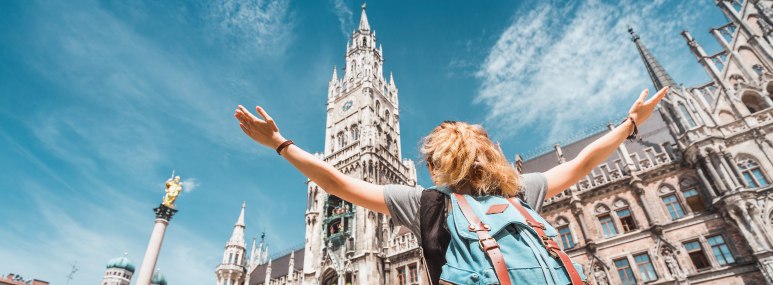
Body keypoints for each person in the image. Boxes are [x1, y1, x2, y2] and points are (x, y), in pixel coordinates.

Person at [234, 86, 668, 284]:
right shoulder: (519, 191)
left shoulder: (426, 203)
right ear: (491, 156)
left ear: (433, 164)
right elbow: (581, 163)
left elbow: (339, 184)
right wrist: (629, 124)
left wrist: (279, 142)